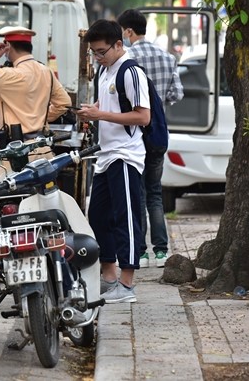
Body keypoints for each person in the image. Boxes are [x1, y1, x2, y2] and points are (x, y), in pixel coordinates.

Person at [78, 19, 150, 304]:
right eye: (94, 52)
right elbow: (108, 107)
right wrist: (92, 112)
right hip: (105, 155)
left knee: (126, 219)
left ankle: (127, 284)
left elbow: (143, 117)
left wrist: (101, 116)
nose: (97, 57)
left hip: (125, 155)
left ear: (119, 44)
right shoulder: (105, 71)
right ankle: (109, 278)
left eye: (101, 51)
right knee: (97, 217)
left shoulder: (130, 72)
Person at [117, 9, 184, 268]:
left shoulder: (126, 58)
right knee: (155, 192)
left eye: (122, 32)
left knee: (137, 193)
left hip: (132, 133)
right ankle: (161, 251)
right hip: (157, 133)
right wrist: (158, 104)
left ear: (129, 31)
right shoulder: (167, 57)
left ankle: (141, 253)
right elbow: (177, 93)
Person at [0, 26, 70, 177]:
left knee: (9, 198)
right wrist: (40, 117)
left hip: (16, 152)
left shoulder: (9, 75)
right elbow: (64, 103)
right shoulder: (45, 71)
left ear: (7, 47)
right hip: (43, 149)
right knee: (41, 198)